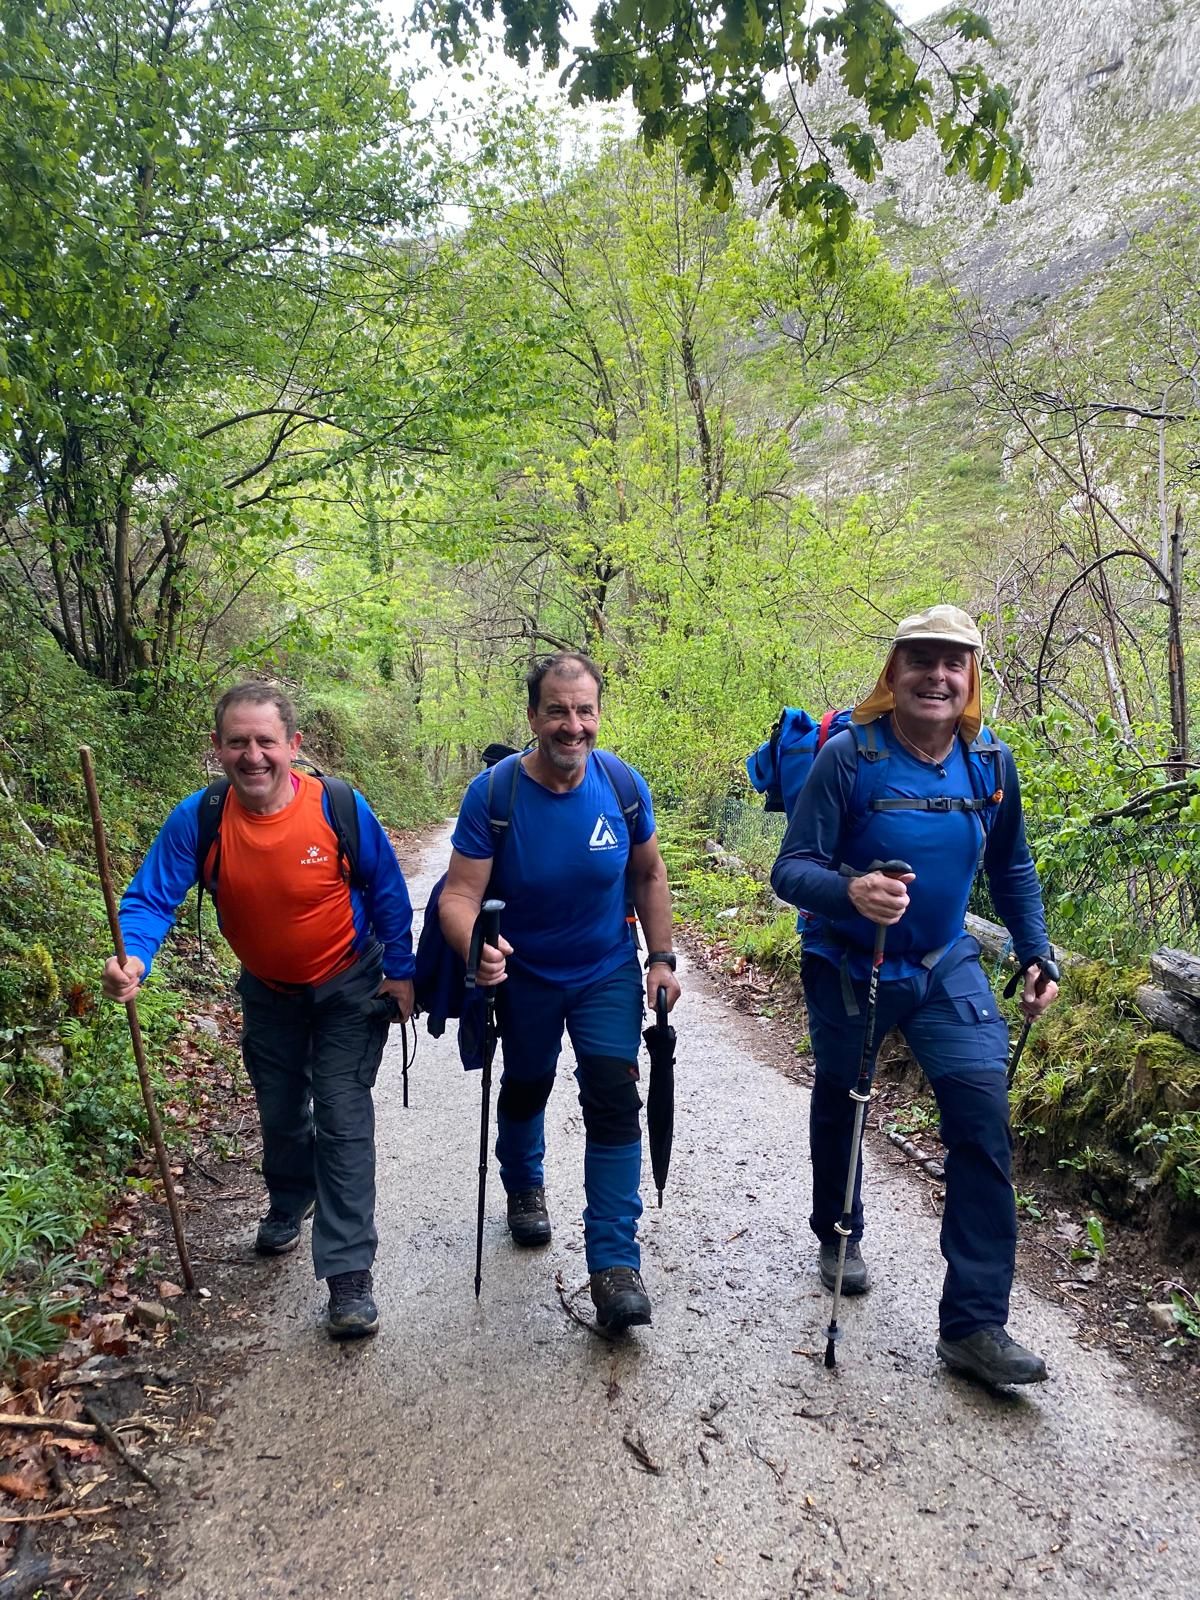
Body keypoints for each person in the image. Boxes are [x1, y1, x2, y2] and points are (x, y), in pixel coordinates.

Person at [771, 606, 1059, 1386]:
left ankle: (973, 1326)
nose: (937, 675)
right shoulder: (847, 758)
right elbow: (791, 868)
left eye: (953, 663)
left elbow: (1014, 870)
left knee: (982, 1122)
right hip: (849, 961)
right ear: (893, 674)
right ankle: (839, 1230)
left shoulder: (991, 764)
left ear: (970, 681)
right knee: (844, 1097)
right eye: (921, 660)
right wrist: (851, 889)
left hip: (945, 966)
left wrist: (1036, 950)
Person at [101, 683, 415, 1341]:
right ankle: (290, 1194)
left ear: (292, 747)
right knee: (279, 1108)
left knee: (341, 1115)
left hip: (347, 988)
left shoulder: (336, 807)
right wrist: (133, 957)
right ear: (216, 748)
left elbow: (387, 890)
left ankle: (348, 1274)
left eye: (265, 741)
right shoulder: (202, 817)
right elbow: (151, 898)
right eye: (237, 742)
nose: (252, 756)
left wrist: (402, 975)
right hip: (267, 991)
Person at [438, 651, 681, 1332]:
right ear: (532, 717)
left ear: (598, 714)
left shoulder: (623, 785)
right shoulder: (495, 795)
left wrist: (660, 958)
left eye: (584, 711)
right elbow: (459, 895)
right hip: (527, 977)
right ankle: (523, 1183)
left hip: (605, 970)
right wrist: (476, 947)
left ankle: (613, 1264)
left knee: (612, 1097)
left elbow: (651, 874)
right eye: (557, 711)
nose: (572, 725)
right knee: (527, 1086)